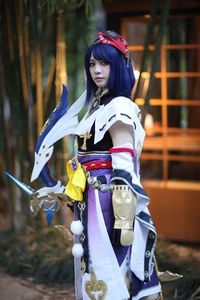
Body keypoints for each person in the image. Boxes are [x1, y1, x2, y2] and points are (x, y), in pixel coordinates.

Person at [30, 30, 162, 300]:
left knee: (107, 267)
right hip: (89, 198)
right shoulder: (97, 106)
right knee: (90, 266)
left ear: (118, 66)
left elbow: (124, 169)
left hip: (109, 204)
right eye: (92, 64)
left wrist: (125, 221)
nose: (96, 70)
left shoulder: (119, 107)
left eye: (104, 63)